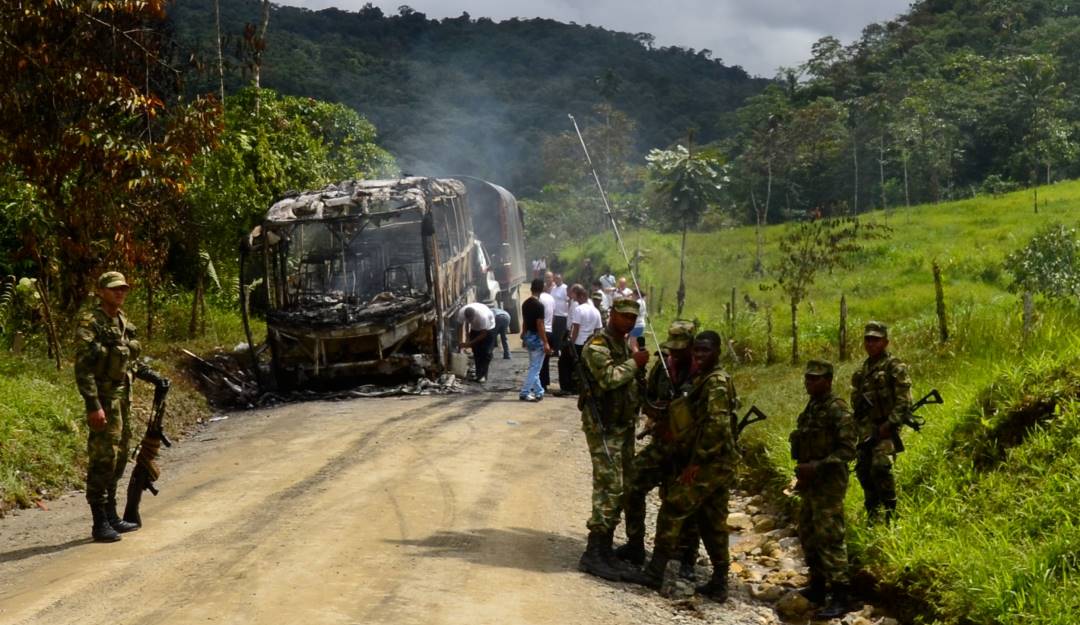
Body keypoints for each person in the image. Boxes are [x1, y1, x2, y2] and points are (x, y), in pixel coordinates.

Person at [626, 331, 739, 602]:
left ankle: (655, 572)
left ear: (718, 351)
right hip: (715, 461)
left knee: (673, 507)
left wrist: (696, 462)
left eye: (705, 351)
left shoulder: (716, 383)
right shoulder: (704, 378)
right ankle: (719, 582)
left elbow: (717, 427)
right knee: (711, 521)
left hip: (711, 462)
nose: (699, 355)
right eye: (697, 350)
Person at [75, 271, 168, 542]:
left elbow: (129, 361)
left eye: (123, 289)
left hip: (122, 398)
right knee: (103, 458)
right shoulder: (91, 322)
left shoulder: (123, 320)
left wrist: (154, 378)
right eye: (114, 289)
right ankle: (99, 522)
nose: (120, 293)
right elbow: (83, 368)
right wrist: (93, 405)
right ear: (101, 291)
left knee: (119, 457)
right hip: (104, 399)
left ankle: (112, 515)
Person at [616, 321, 701, 577]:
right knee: (632, 483)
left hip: (689, 450)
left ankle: (686, 557)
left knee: (682, 502)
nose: (674, 354)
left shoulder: (703, 374)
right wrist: (655, 410)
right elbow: (648, 399)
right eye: (671, 349)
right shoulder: (663, 368)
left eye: (680, 349)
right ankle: (635, 545)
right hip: (662, 443)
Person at [577, 298, 650, 581]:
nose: (629, 322)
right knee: (610, 486)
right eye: (623, 317)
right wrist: (635, 362)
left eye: (633, 318)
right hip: (603, 427)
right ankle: (594, 553)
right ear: (612, 315)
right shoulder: (597, 345)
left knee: (624, 485)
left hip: (623, 425)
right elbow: (608, 378)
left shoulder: (623, 344)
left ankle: (606, 550)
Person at [790, 360, 857, 619]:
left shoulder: (837, 409)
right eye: (807, 378)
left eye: (815, 379)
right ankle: (818, 585)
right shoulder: (812, 408)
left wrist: (817, 466)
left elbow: (848, 450)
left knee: (830, 536)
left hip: (829, 484)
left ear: (828, 381)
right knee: (807, 531)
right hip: (810, 483)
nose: (809, 383)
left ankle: (842, 594)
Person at [851, 321, 912, 523]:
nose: (871, 343)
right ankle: (873, 514)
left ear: (885, 342)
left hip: (886, 428)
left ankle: (891, 514)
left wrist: (891, 424)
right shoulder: (863, 371)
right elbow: (858, 407)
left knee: (881, 467)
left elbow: (904, 400)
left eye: (875, 340)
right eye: (868, 339)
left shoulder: (894, 366)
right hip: (866, 431)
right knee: (863, 471)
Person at [519, 279, 552, 402]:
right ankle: (525, 392)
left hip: (528, 336)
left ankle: (539, 391)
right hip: (537, 338)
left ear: (531, 288)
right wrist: (546, 342)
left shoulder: (525, 304)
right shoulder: (539, 305)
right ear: (542, 289)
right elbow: (540, 325)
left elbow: (525, 322)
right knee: (535, 367)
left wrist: (523, 335)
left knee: (534, 366)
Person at [457, 301, 496, 382]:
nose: (470, 321)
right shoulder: (461, 313)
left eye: (471, 319)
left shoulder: (482, 316)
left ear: (474, 315)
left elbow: (483, 334)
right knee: (476, 352)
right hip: (475, 329)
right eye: (468, 319)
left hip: (488, 329)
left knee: (486, 353)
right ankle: (478, 374)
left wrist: (469, 343)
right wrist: (461, 341)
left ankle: (483, 375)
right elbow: (460, 326)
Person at [539, 275, 556, 392]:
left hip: (542, 331)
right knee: (546, 359)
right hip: (550, 331)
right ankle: (545, 382)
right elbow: (553, 316)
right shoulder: (551, 299)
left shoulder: (538, 299)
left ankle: (541, 384)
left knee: (539, 360)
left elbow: (538, 319)